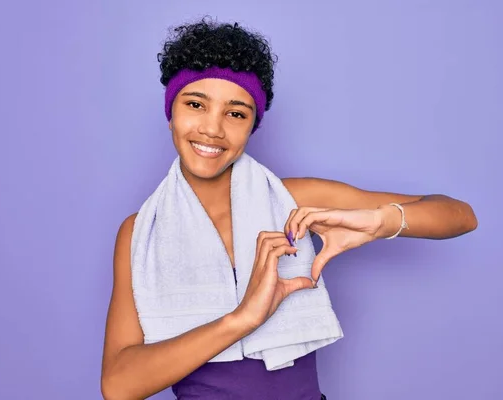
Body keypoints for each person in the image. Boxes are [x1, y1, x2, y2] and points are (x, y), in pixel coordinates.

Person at [100, 18, 478, 400]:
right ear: (171, 114)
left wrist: (381, 221)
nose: (212, 129)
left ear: (252, 125)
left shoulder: (290, 201)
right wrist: (242, 319)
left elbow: (460, 215)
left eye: (236, 113)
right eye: (196, 104)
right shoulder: (140, 233)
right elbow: (118, 386)